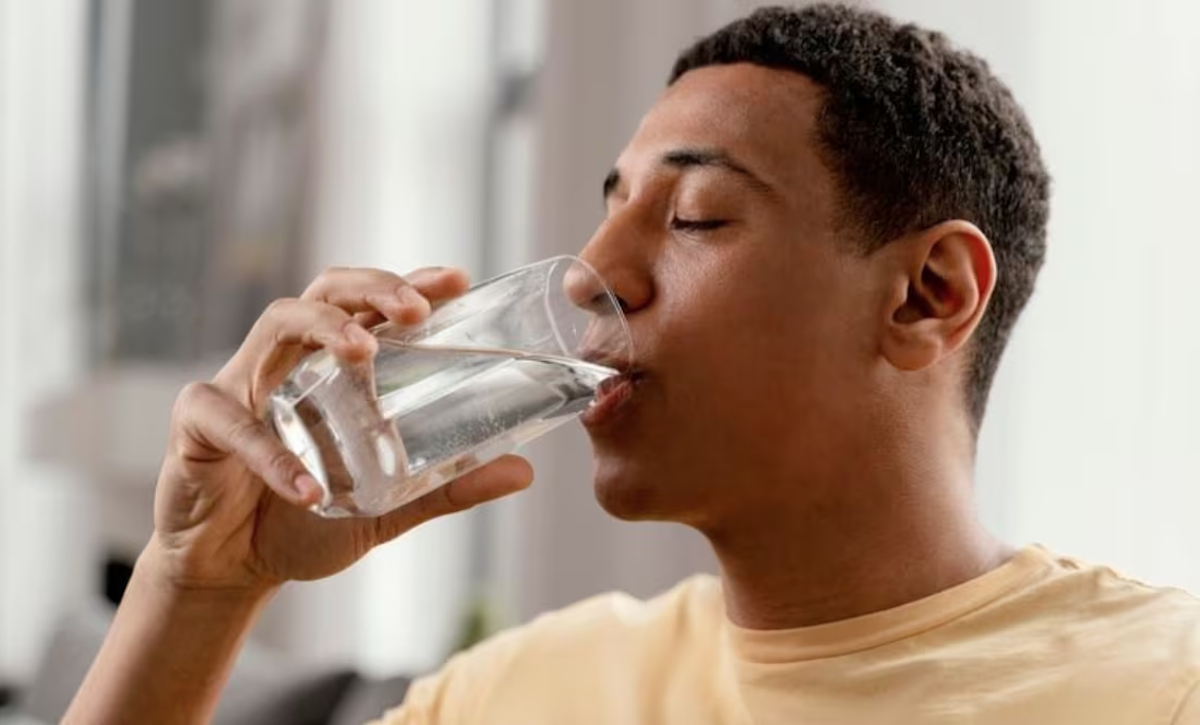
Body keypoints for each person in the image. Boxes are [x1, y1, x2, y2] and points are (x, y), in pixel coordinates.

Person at [65, 4, 1200, 724]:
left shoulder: (1161, 686)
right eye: (608, 208)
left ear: (927, 294)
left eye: (696, 216)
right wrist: (198, 586)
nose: (589, 273)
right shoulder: (517, 694)